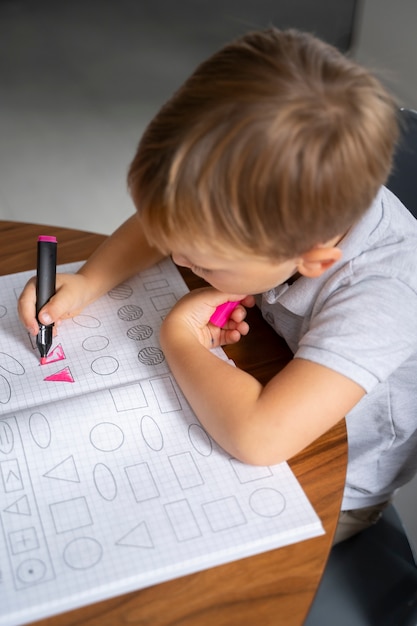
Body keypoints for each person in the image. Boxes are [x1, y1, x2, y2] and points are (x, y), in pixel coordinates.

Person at [18, 28, 417, 543]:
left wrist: (178, 337)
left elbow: (260, 437)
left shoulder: (385, 293)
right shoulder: (278, 219)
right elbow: (163, 225)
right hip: (267, 371)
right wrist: (89, 281)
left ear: (314, 260)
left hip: (331, 486)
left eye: (203, 261)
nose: (176, 255)